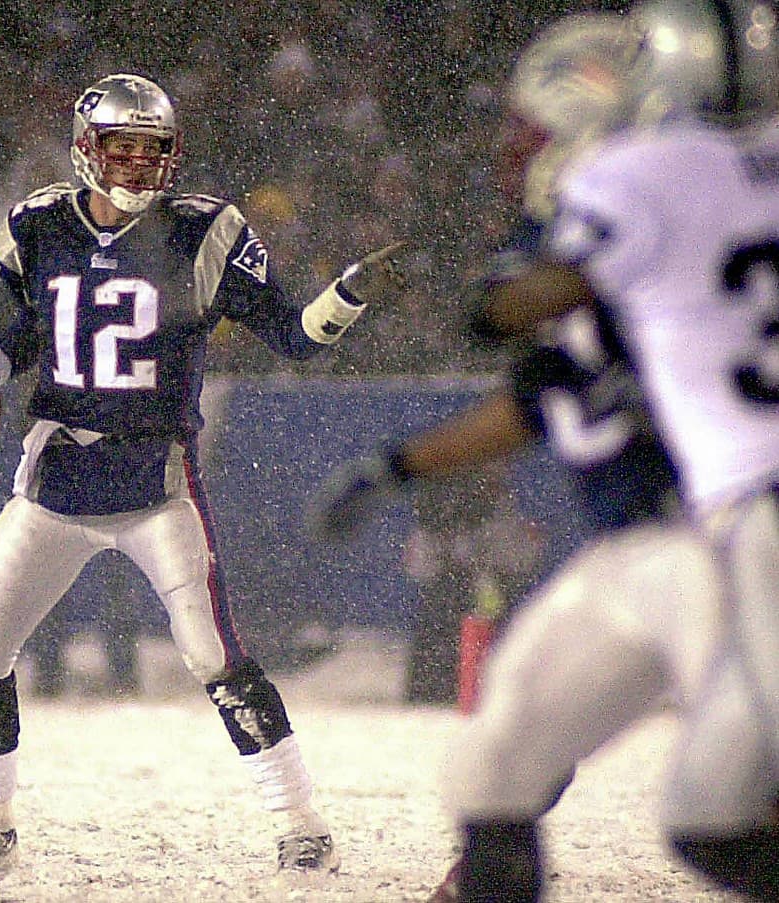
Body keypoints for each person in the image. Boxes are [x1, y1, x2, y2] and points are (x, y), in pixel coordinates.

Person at [311, 1, 779, 898]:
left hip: (712, 539)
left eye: (550, 137)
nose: (532, 158)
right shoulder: (684, 222)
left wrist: (503, 288)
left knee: (717, 812)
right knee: (494, 763)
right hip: (640, 555)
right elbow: (541, 392)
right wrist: (397, 466)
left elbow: (512, 316)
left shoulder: (643, 201)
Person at [0, 72, 406, 876]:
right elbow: (41, 321)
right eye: (120, 146)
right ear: (86, 147)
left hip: (154, 478)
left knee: (213, 657)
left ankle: (303, 822)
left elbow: (295, 339)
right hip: (55, 480)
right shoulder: (36, 225)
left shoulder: (203, 230)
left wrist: (346, 296)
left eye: (152, 150)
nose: (136, 164)